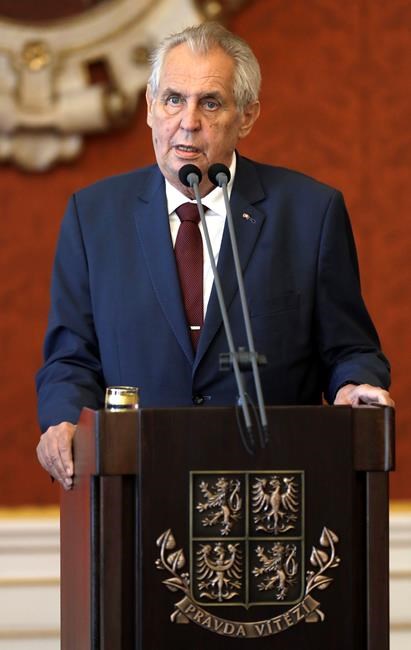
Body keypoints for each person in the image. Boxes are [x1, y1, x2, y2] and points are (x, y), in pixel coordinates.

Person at [36, 22, 394, 490]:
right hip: (137, 486)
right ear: (150, 107)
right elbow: (70, 359)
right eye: (173, 99)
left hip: (271, 488)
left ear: (246, 116)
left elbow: (350, 349)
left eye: (210, 103)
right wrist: (64, 421)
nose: (188, 121)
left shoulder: (310, 213)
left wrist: (354, 387)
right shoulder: (93, 216)